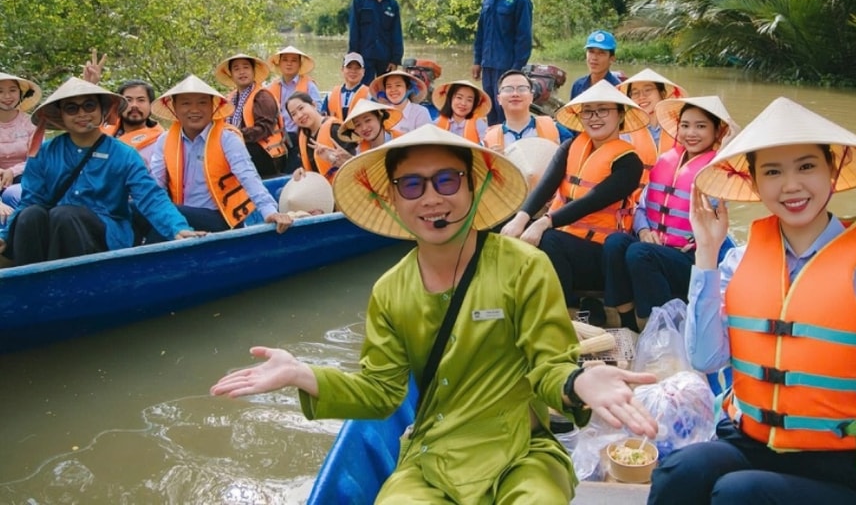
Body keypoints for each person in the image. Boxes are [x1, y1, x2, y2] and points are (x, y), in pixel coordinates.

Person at [211, 124, 658, 503]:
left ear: (474, 185)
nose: (431, 199)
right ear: (391, 199)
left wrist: (578, 380)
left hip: (521, 453)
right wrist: (303, 375)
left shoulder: (524, 267)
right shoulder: (390, 291)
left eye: (447, 180)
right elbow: (381, 393)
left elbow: (550, 365)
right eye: (412, 185)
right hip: (431, 457)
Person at [648, 97, 856, 504]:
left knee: (738, 493)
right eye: (772, 172)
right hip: (751, 441)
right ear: (754, 182)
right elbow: (706, 359)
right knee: (678, 472)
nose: (791, 185)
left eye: (806, 166)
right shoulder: (739, 258)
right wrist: (706, 255)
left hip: (842, 462)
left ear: (832, 170)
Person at [0, 78, 202, 265]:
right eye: (72, 108)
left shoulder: (123, 154)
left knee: (65, 216)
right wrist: (5, 235)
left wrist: (177, 228)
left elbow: (150, 196)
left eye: (89, 106)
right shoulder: (45, 153)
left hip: (105, 230)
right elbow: (30, 200)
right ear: (61, 115)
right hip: (56, 229)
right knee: (30, 215)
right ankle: (31, 281)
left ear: (102, 110)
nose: (81, 114)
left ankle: (69, 283)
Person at [500, 80, 648, 323]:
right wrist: (522, 218)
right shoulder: (570, 146)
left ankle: (567, 312)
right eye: (588, 111)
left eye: (603, 110)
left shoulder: (629, 162)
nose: (594, 118)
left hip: (600, 256)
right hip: (564, 244)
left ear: (620, 114)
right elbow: (546, 185)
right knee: (508, 229)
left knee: (548, 237)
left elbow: (592, 200)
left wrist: (545, 221)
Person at [602, 96, 736, 331]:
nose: (691, 132)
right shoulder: (665, 161)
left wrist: (696, 241)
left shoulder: (718, 170)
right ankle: (626, 323)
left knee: (639, 253)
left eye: (701, 126)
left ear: (717, 132)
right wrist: (643, 231)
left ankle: (659, 326)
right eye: (685, 125)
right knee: (615, 243)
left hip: (689, 258)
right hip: (653, 248)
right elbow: (642, 207)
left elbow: (716, 217)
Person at [147, 74, 292, 237]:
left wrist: (269, 211)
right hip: (180, 218)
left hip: (221, 218)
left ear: (213, 106)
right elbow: (155, 186)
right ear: (174, 107)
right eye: (186, 103)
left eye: (202, 103)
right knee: (143, 209)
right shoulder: (164, 140)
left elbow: (248, 176)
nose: (194, 110)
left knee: (167, 211)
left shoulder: (227, 138)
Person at [472, 0, 533, 125]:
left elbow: (524, 38)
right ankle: (492, 147)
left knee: (507, 111)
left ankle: (510, 148)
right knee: (489, 107)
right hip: (488, 66)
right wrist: (477, 61)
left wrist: (515, 71)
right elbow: (481, 32)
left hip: (507, 66)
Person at [215, 53, 287, 178]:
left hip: (267, 154)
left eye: (246, 67)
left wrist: (234, 135)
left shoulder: (263, 96)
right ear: (231, 75)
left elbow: (264, 129)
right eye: (236, 69)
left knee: (233, 149)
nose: (242, 72)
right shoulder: (231, 98)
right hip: (243, 146)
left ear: (253, 71)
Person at [482, 70, 573, 151]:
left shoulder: (557, 130)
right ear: (499, 99)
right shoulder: (487, 141)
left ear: (531, 97)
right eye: (508, 89)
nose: (515, 94)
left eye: (522, 89)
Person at [266, 46, 321, 174]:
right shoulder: (271, 87)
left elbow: (316, 110)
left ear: (299, 64)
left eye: (294, 60)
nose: (289, 63)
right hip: (279, 136)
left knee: (291, 169)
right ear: (279, 63)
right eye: (285, 60)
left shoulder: (309, 85)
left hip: (301, 134)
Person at [349, 0, 403, 85]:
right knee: (363, 91)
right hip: (364, 56)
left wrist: (395, 60)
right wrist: (353, 57)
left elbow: (397, 33)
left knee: (384, 92)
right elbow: (354, 29)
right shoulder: (359, 0)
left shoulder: (392, 4)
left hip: (385, 57)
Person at [286, 91, 356, 183]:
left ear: (313, 105)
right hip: (319, 187)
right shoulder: (303, 134)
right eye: (293, 114)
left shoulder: (336, 129)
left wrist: (333, 158)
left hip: (342, 187)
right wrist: (301, 171)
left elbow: (355, 165)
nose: (299, 115)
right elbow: (309, 167)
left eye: (301, 108)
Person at [0, 72, 40, 219]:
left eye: (12, 90)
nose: (7, 96)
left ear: (20, 93)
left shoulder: (30, 123)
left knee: (17, 196)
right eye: (0, 91)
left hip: (24, 178)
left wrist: (12, 171)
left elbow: (36, 158)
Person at [431, 79, 490, 143]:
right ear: (450, 99)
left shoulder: (479, 124)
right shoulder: (436, 123)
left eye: (469, 100)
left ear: (474, 104)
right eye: (459, 97)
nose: (463, 103)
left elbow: (486, 145)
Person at [337, 98, 403, 153]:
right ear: (355, 130)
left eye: (367, 120)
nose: (364, 128)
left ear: (379, 118)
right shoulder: (360, 150)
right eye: (358, 125)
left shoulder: (402, 141)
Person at [570, 30, 621, 98]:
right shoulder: (578, 86)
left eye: (601, 53)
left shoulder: (618, 89)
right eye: (591, 52)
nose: (594, 58)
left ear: (611, 59)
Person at [321, 52, 370, 122]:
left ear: (363, 72)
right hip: (335, 131)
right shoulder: (330, 95)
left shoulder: (370, 95)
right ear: (342, 70)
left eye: (357, 68)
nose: (353, 71)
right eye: (349, 67)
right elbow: (322, 119)